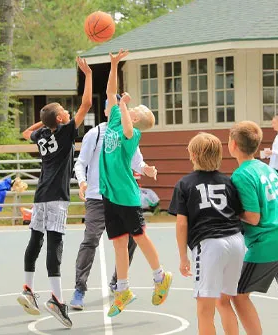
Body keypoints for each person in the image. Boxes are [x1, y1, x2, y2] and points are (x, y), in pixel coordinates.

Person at [14, 57, 94, 328]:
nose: (69, 113)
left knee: (35, 240)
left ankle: (27, 288)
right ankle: (57, 300)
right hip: (57, 196)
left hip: (40, 195)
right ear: (61, 119)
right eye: (64, 112)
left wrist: (45, 123)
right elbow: (86, 104)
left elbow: (27, 132)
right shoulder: (64, 133)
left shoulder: (44, 135)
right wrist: (88, 75)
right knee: (55, 244)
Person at [98, 49, 173, 318]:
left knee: (139, 236)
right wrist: (114, 64)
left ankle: (160, 276)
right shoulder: (116, 117)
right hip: (109, 193)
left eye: (137, 108)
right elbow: (110, 93)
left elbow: (128, 130)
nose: (132, 106)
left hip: (127, 195)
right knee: (119, 243)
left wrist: (122, 105)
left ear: (139, 116)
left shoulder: (134, 131)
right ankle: (123, 290)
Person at [70, 96, 157, 311]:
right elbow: (80, 163)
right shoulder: (96, 133)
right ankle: (79, 289)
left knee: (131, 241)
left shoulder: (127, 131)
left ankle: (119, 283)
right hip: (97, 196)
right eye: (113, 104)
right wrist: (82, 182)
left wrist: (147, 169)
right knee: (91, 239)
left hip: (119, 196)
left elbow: (137, 160)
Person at [170, 133, 247, 335]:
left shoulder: (185, 184)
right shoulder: (229, 182)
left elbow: (181, 223)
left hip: (210, 245)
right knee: (224, 301)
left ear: (193, 155)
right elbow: (239, 214)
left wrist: (182, 257)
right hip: (237, 242)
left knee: (205, 308)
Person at [225, 121, 278, 335]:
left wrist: (229, 212)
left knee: (239, 294)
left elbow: (252, 217)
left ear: (232, 145)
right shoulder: (266, 167)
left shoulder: (241, 175)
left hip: (267, 242)